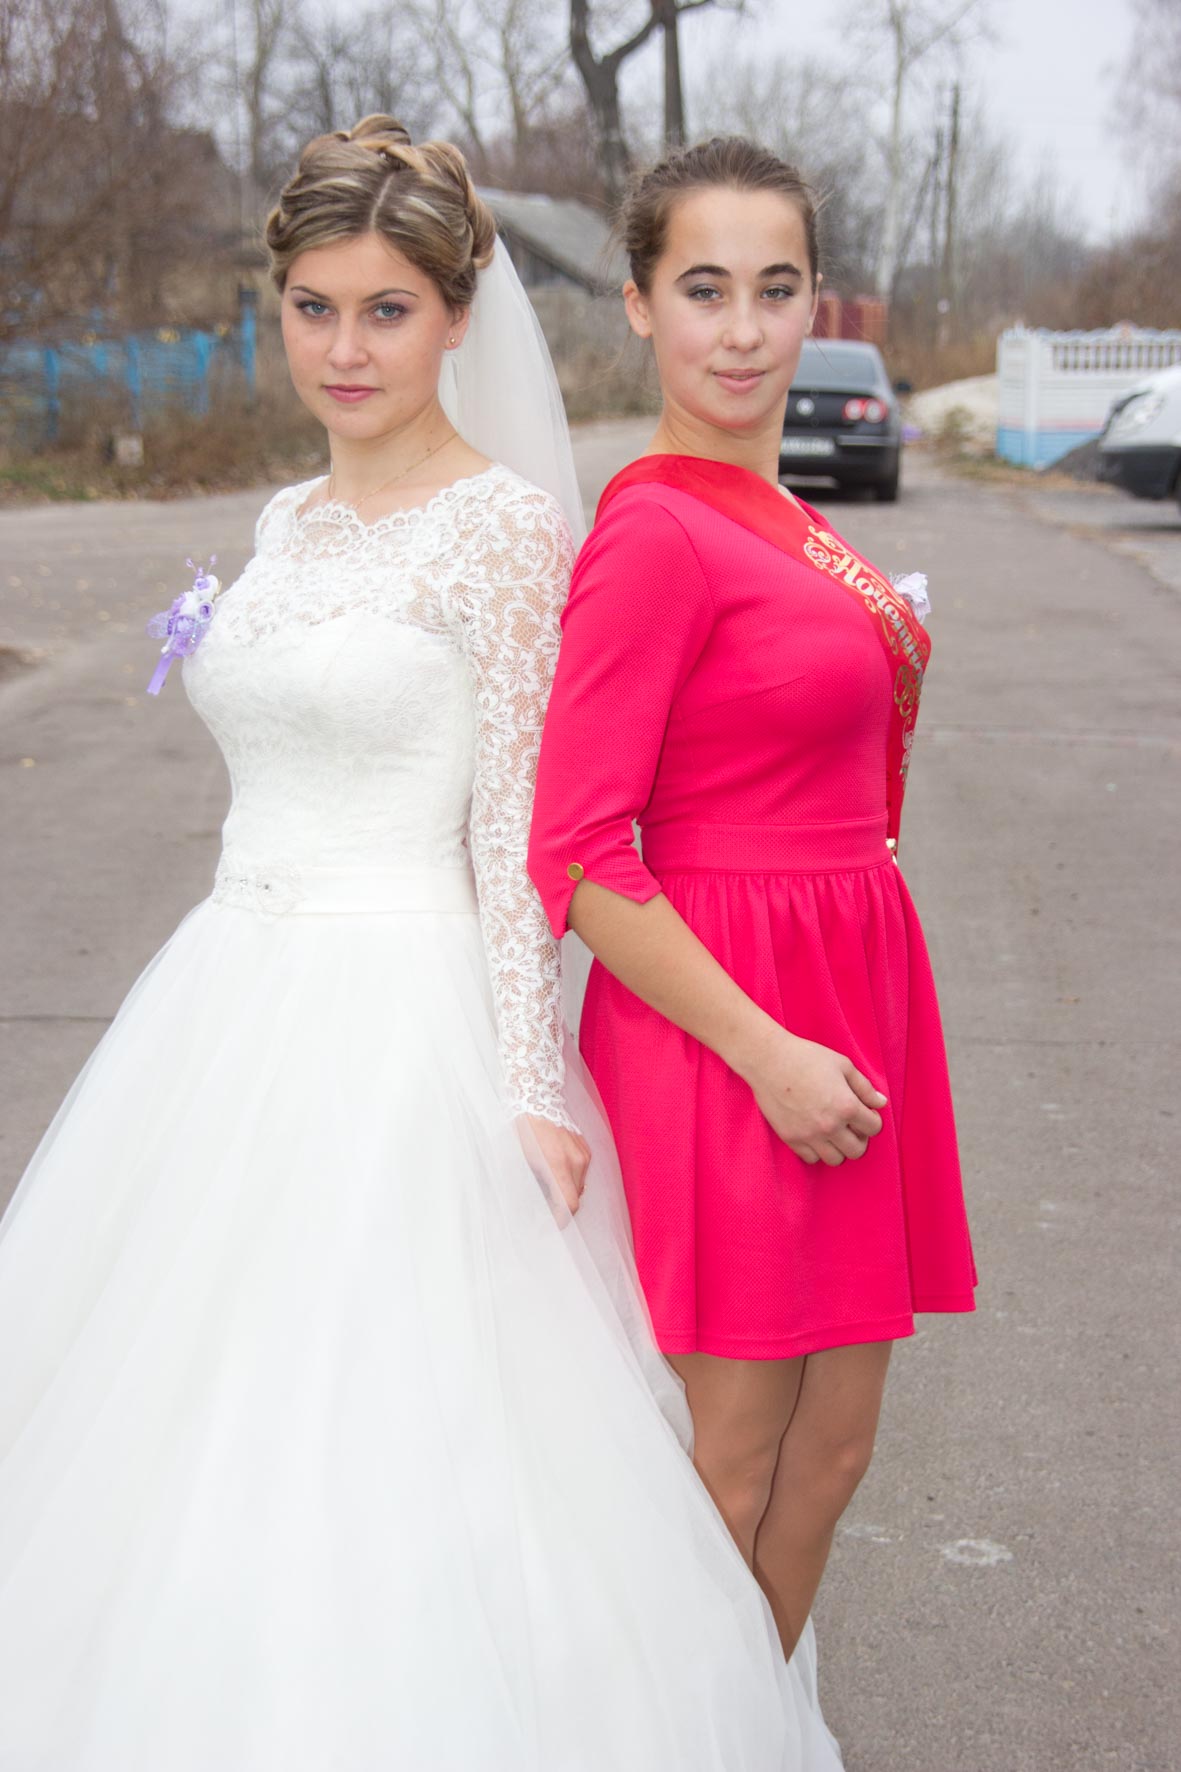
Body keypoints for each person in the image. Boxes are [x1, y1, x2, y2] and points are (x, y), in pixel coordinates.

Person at [0, 119, 843, 1769]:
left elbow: (524, 831)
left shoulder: (507, 532)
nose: (345, 349)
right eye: (313, 309)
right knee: (182, 1409)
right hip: (226, 1005)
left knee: (384, 1422)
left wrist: (528, 1082)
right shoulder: (280, 523)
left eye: (386, 311)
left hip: (404, 1020)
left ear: (458, 316)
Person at [528, 136, 977, 1662]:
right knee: (726, 1464)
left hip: (847, 1005)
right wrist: (766, 1053)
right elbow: (575, 851)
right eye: (702, 289)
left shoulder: (786, 517)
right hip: (730, 1032)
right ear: (639, 305)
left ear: (814, 303)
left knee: (829, 1456)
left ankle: (752, 1731)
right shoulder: (654, 532)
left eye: (773, 290)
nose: (740, 330)